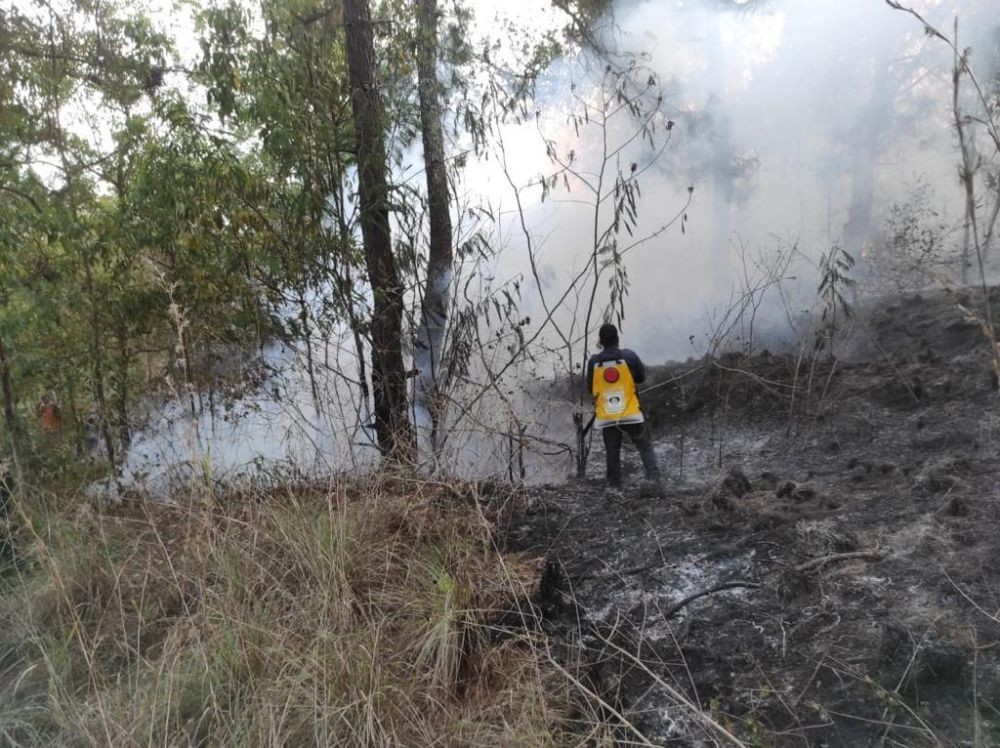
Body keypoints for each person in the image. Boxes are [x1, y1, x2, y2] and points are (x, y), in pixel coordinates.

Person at [586, 323, 661, 496]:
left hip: (608, 417)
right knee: (645, 446)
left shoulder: (594, 362)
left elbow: (591, 388)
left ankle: (614, 488)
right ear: (617, 339)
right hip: (631, 413)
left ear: (600, 342)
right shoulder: (629, 356)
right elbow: (641, 378)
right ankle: (654, 481)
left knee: (612, 452)